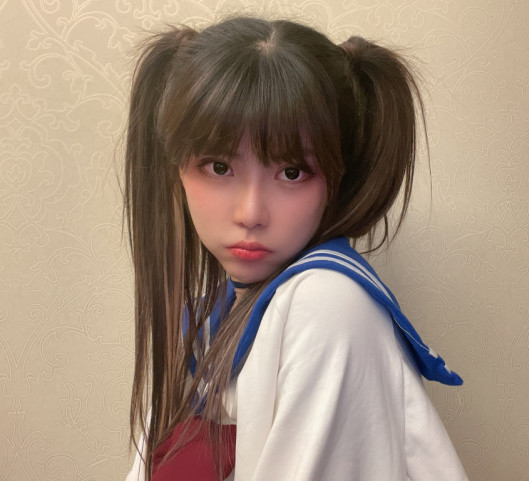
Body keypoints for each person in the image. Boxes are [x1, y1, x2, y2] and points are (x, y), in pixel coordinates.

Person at [124, 15, 468, 481]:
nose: (250, 212)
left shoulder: (326, 304)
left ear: (338, 177)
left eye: (291, 173)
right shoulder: (209, 316)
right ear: (175, 169)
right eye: (219, 167)